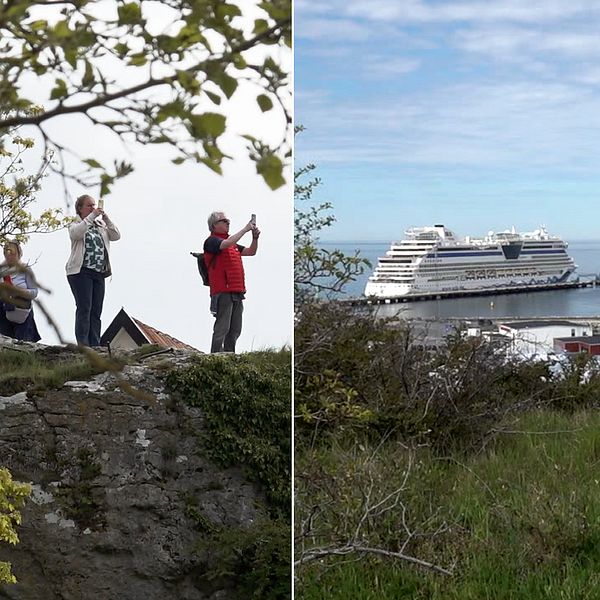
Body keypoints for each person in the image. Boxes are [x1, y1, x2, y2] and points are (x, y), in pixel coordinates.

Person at [66, 194, 120, 347]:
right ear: (80, 208)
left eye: (94, 205)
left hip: (99, 272)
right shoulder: (75, 223)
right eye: (89, 205)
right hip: (81, 271)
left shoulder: (100, 225)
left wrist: (106, 219)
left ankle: (95, 344)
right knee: (85, 308)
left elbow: (116, 235)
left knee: (96, 311)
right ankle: (83, 344)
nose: (93, 208)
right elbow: (76, 234)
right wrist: (91, 217)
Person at [204, 211, 260, 353]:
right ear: (214, 225)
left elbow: (251, 251)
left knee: (235, 328)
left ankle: (230, 354)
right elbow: (226, 243)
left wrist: (255, 238)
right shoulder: (212, 241)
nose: (228, 223)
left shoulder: (232, 244)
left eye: (228, 220)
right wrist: (245, 229)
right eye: (224, 221)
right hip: (223, 291)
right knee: (222, 327)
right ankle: (215, 354)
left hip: (236, 291)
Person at [0, 240, 41, 342]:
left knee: (23, 343)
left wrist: (21, 292)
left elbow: (34, 292)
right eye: (7, 252)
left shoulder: (25, 269)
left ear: (19, 254)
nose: (9, 256)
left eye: (12, 253)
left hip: (22, 310)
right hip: (4, 310)